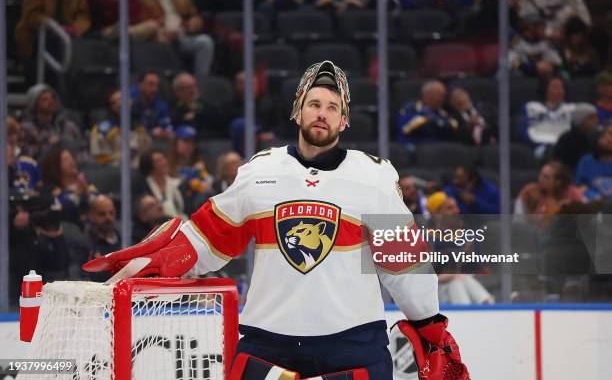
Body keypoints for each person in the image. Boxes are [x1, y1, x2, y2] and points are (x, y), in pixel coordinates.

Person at [84, 61, 469, 379]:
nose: (322, 113)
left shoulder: (374, 178)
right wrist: (162, 262)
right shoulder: (259, 172)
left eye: (333, 107)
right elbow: (210, 237)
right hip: (269, 343)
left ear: (344, 120)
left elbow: (405, 266)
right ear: (298, 110)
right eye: (315, 103)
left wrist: (429, 325)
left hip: (352, 345)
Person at [137, 0, 215, 78]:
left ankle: (201, 79)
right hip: (159, 37)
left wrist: (191, 24)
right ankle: (174, 79)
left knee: (205, 41)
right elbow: (140, 23)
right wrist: (159, 28)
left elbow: (197, 17)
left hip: (181, 35)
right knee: (164, 44)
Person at [426, 192, 495, 304]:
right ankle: (485, 303)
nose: (456, 211)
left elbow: (476, 266)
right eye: (449, 208)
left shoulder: (468, 236)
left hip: (465, 284)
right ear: (437, 214)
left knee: (459, 281)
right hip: (437, 291)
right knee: (456, 283)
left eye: (456, 207)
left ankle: (485, 304)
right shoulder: (426, 238)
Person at [15, 0, 91, 58]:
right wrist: (54, 26)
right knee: (55, 41)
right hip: (36, 36)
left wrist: (76, 28)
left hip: (67, 37)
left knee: (86, 43)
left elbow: (84, 17)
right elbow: (31, 15)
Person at [19, 83, 85, 161]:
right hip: (43, 167)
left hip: (71, 166)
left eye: (52, 98)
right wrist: (47, 144)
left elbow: (82, 148)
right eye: (44, 99)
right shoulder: (27, 128)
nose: (50, 102)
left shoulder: (68, 126)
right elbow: (23, 154)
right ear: (34, 104)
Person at [90, 89, 151, 166]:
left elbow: (147, 152)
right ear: (111, 107)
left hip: (141, 172)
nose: (120, 104)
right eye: (114, 102)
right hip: (115, 172)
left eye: (122, 99)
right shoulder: (101, 130)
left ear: (131, 102)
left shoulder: (140, 127)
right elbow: (101, 160)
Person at [40, 147, 99, 227]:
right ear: (55, 166)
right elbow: (61, 210)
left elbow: (101, 203)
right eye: (66, 159)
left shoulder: (84, 183)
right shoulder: (50, 190)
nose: (72, 161)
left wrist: (86, 193)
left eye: (71, 158)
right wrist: (78, 195)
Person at [519, 75, 575, 156]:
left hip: (565, 148)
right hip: (540, 147)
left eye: (562, 88)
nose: (560, 91)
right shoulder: (531, 107)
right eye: (556, 87)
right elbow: (523, 131)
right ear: (545, 89)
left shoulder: (571, 109)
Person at [167, 125, 214, 214]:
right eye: (185, 141)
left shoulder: (201, 162)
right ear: (176, 142)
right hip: (177, 205)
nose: (189, 145)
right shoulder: (167, 163)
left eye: (192, 142)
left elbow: (209, 183)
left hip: (198, 204)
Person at [396, 80, 459, 145]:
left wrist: (430, 120)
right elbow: (407, 128)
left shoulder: (442, 112)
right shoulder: (411, 107)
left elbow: (453, 128)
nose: (442, 99)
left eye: (443, 95)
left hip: (438, 148)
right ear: (427, 94)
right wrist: (438, 124)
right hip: (412, 145)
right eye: (439, 95)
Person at [515, 161, 585, 215]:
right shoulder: (530, 191)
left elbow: (587, 214)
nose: (540, 179)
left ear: (558, 182)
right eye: (540, 175)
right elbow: (518, 216)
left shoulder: (573, 193)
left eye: (546, 177)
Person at [509, 13, 562, 77]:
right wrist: (531, 68)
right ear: (530, 27)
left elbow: (557, 62)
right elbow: (512, 61)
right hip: (517, 81)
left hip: (537, 81)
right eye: (541, 27)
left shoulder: (545, 43)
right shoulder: (516, 41)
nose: (544, 30)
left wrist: (551, 67)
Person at [138, 148, 185, 218]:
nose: (164, 162)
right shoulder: (143, 187)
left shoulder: (176, 184)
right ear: (149, 165)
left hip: (180, 221)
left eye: (164, 158)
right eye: (158, 161)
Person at [553, 103, 599, 171]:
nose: (596, 120)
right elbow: (559, 164)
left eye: (596, 117)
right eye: (591, 117)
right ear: (580, 120)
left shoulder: (598, 137)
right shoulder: (566, 139)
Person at [130, 71, 173, 138]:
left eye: (157, 85)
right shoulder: (128, 101)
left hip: (152, 145)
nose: (155, 89)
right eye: (151, 84)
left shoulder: (160, 104)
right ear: (140, 85)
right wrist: (151, 132)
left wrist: (164, 131)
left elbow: (167, 129)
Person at [575, 124, 612, 201]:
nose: (609, 139)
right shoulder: (586, 161)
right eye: (605, 135)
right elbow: (580, 186)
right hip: (593, 205)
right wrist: (594, 197)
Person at [7, 117, 41, 193]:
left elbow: (43, 192)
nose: (12, 149)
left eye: (13, 144)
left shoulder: (28, 165)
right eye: (8, 143)